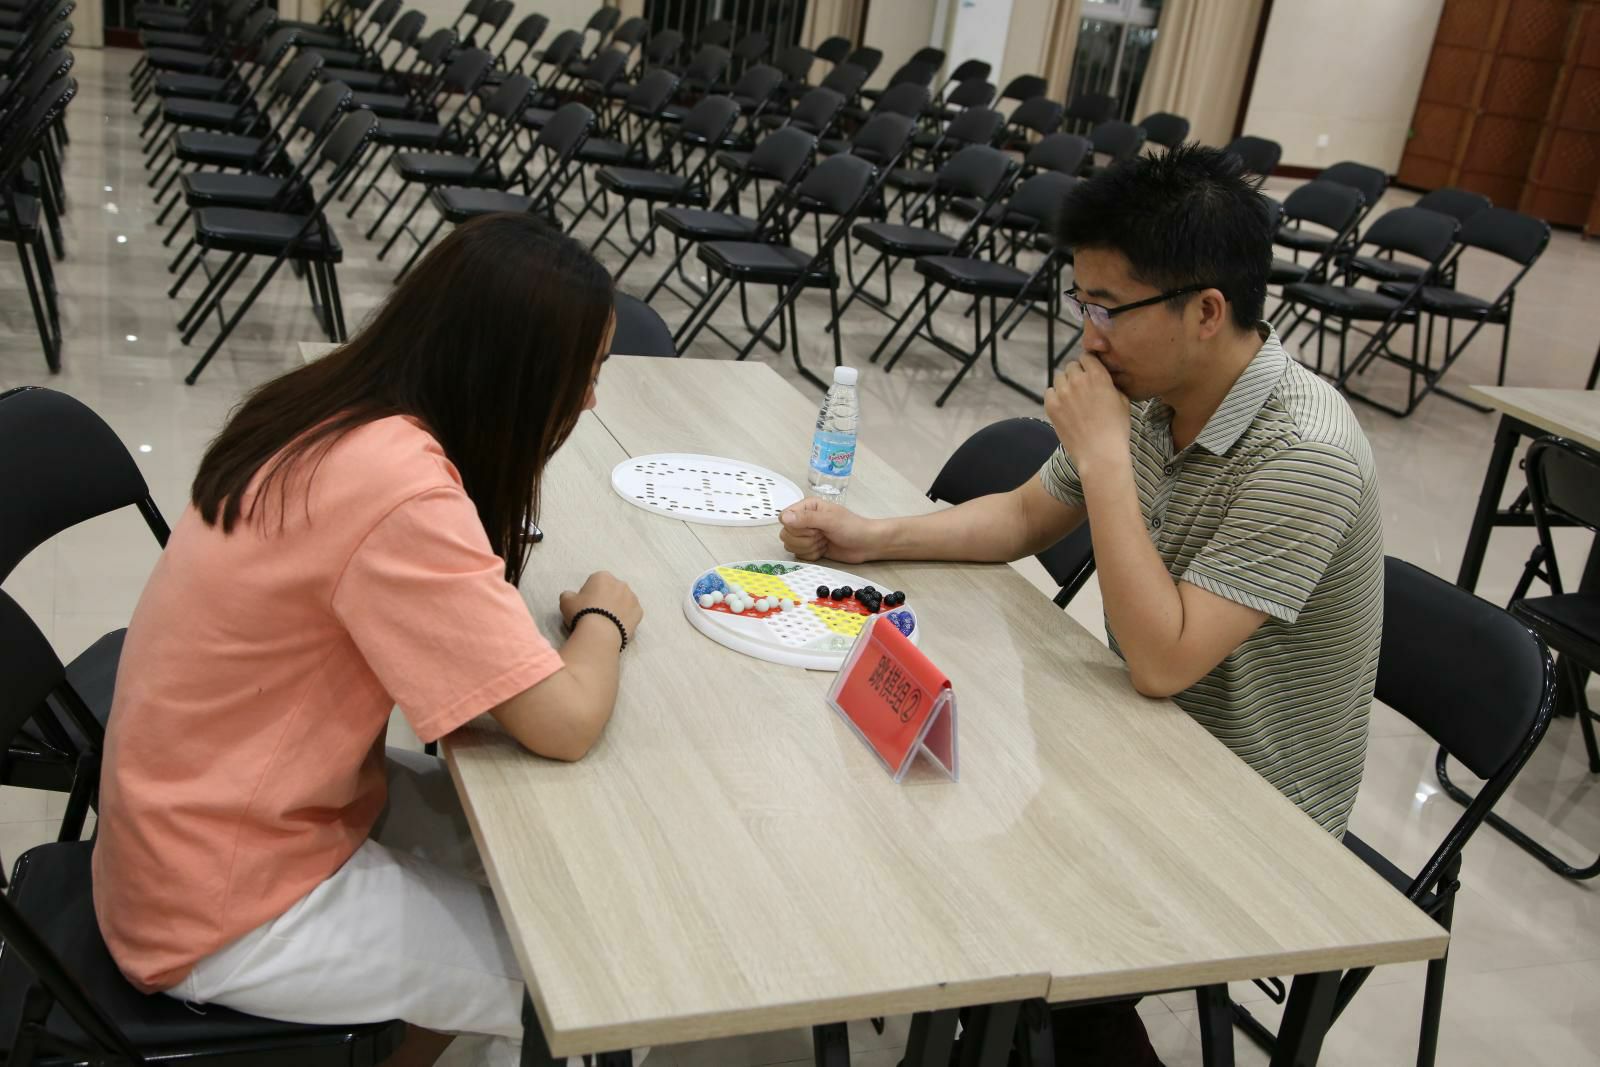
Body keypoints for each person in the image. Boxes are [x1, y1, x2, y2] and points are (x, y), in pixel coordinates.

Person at [780, 145, 1383, 1065]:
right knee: (897, 821)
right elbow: (1028, 514)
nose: (1089, 337)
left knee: (989, 913)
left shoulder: (1306, 452)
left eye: (1108, 309)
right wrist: (872, 534)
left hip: (1244, 805)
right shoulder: (1153, 387)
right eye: (1082, 303)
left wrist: (1103, 459)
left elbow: (1162, 661)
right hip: (1132, 735)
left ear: (1206, 312)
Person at [93, 215, 640, 1067]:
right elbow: (565, 720)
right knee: (572, 970)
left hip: (197, 817)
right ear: (518, 372)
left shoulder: (336, 406)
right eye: (588, 371)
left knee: (529, 854)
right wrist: (606, 616)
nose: (592, 398)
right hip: (218, 898)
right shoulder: (398, 487)